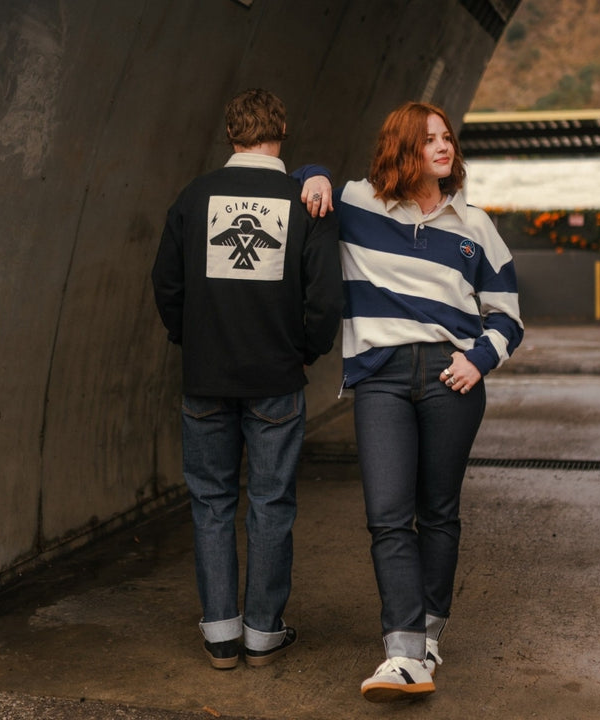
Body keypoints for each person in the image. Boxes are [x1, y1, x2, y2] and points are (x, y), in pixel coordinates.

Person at [300, 101, 523, 702]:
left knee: (438, 511)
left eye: (447, 138)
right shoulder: (358, 204)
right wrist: (314, 175)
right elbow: (302, 179)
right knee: (388, 514)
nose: (444, 147)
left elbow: (507, 317)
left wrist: (477, 360)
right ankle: (403, 654)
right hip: (381, 377)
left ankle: (427, 633)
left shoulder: (475, 225)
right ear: (403, 150)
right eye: (429, 140)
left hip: (453, 381)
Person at [152, 88, 343, 670]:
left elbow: (167, 286)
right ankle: (263, 631)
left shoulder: (193, 197)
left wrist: (196, 342)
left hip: (206, 379)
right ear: (280, 129)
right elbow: (324, 300)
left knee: (211, 501)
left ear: (230, 133)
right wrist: (304, 353)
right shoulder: (302, 203)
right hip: (275, 380)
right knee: (270, 502)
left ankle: (219, 636)